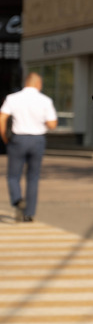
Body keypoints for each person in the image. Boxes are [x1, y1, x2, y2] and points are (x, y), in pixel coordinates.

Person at [0, 72, 58, 222]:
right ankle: (29, 214)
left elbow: (2, 118)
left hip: (18, 139)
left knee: (13, 176)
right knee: (33, 177)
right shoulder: (45, 100)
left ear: (26, 83)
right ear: (38, 84)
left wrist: (4, 137)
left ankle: (18, 200)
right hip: (37, 140)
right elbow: (52, 124)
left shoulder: (12, 98)